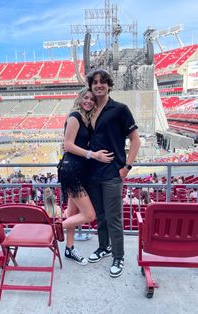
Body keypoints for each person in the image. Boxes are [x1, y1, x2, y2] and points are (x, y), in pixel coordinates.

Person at [86, 68, 141, 277]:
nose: (98, 85)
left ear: (109, 85)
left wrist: (127, 166)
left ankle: (119, 256)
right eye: (95, 82)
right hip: (93, 174)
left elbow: (135, 139)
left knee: (114, 218)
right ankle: (104, 247)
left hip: (112, 173)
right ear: (91, 86)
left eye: (103, 82)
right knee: (100, 216)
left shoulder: (120, 109)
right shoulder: (88, 110)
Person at [58, 87, 114, 266]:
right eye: (86, 98)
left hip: (79, 170)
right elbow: (68, 145)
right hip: (71, 170)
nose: (89, 101)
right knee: (90, 215)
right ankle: (54, 229)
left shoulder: (84, 119)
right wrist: (93, 154)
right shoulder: (74, 116)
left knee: (73, 213)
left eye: (92, 99)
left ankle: (69, 249)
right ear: (80, 98)